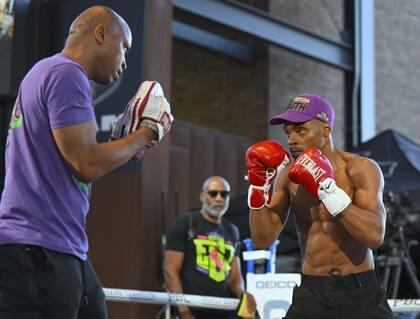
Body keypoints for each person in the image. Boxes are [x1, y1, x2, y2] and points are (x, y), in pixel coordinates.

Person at [0, 6, 172, 319]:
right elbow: (86, 164)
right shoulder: (67, 74)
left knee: (94, 305)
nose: (124, 61)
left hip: (57, 245)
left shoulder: (43, 72)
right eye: (124, 48)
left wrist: (123, 145)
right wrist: (148, 131)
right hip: (39, 248)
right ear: (101, 34)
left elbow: (76, 160)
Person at [246, 93, 393, 319]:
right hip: (312, 292)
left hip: (361, 291)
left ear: (326, 130)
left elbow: (374, 236)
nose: (292, 139)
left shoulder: (360, 169)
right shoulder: (287, 177)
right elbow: (262, 240)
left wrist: (328, 190)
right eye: (288, 132)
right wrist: (259, 189)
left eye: (300, 130)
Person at [165, 176, 256, 319]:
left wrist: (243, 294)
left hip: (225, 309)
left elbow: (235, 277)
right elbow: (170, 272)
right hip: (194, 310)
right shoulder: (185, 224)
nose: (219, 198)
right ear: (202, 196)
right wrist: (184, 311)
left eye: (224, 194)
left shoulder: (232, 231)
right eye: (213, 193)